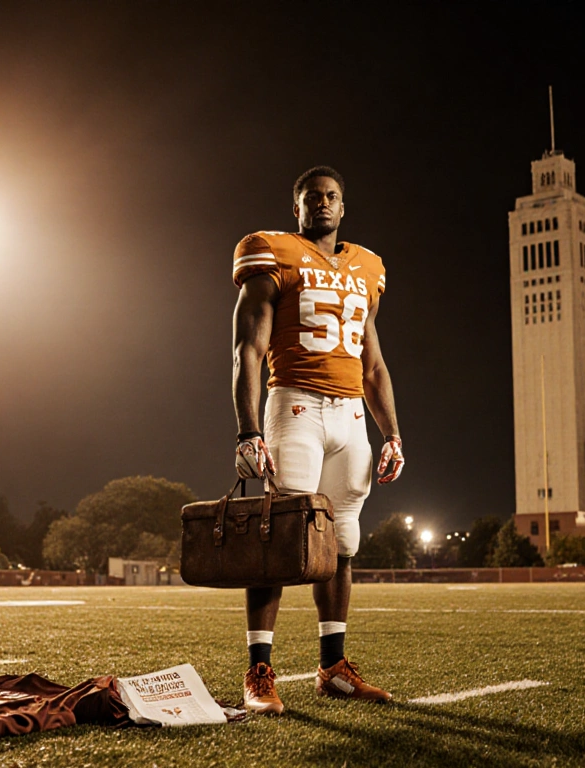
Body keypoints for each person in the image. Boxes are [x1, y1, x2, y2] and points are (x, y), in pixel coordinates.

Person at [230, 165, 405, 715]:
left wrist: (393, 432)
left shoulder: (367, 267)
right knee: (281, 538)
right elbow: (248, 350)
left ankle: (333, 667)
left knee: (344, 544)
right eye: (312, 198)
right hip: (295, 405)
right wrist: (248, 429)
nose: (323, 204)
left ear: (343, 206)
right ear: (298, 207)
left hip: (352, 415)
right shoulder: (271, 252)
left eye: (331, 197)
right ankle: (259, 671)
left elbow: (372, 362)